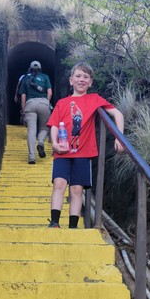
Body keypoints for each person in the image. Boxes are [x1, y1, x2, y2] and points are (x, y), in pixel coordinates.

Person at [46, 62, 125, 228]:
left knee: (76, 190)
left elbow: (117, 113)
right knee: (59, 184)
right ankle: (54, 222)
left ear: (90, 82)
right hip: (62, 151)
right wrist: (54, 144)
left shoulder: (94, 99)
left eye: (85, 77)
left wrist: (119, 137)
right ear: (71, 80)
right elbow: (54, 125)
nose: (81, 79)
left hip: (83, 153)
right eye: (78, 76)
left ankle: (73, 226)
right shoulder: (62, 103)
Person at [19, 61, 53, 164]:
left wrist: (23, 110)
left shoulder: (25, 79)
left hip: (30, 104)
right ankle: (41, 143)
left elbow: (23, 96)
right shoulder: (45, 77)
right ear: (40, 68)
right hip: (43, 104)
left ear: (30, 69)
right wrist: (47, 102)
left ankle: (32, 157)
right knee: (44, 127)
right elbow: (50, 92)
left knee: (31, 131)